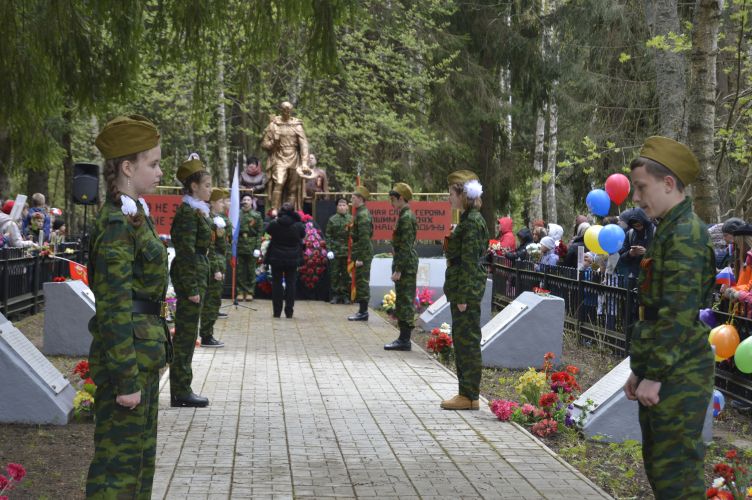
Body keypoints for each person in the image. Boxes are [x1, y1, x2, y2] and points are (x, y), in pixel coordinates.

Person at [621, 136, 715, 499]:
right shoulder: (670, 230)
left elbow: (676, 314)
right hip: (668, 368)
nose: (637, 198)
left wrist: (655, 374)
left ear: (669, 183)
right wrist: (641, 369)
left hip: (679, 373)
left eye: (642, 187)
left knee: (676, 475)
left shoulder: (686, 235)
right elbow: (658, 312)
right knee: (663, 470)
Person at [86, 115, 170, 498]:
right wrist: (125, 379)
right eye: (152, 163)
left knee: (138, 466)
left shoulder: (134, 215)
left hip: (142, 356)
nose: (159, 170)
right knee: (116, 473)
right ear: (126, 167)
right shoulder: (119, 223)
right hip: (129, 361)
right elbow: (114, 305)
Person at [440, 170, 489, 411]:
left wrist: (462, 297)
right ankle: (467, 393)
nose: (449, 198)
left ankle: (469, 395)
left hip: (465, 293)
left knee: (466, 342)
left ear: (463, 194)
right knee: (463, 341)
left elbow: (469, 263)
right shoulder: (469, 220)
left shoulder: (471, 222)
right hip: (463, 289)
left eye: (451, 193)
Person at [169, 153, 213, 408]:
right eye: (206, 185)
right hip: (191, 277)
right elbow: (184, 252)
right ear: (194, 186)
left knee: (188, 334)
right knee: (185, 336)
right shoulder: (188, 213)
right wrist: (191, 288)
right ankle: (180, 390)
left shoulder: (197, 211)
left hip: (198, 272)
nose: (209, 190)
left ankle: (182, 387)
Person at [384, 183, 418, 351]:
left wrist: (398, 269)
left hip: (405, 266)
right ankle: (403, 338)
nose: (392, 203)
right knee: (403, 299)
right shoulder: (404, 215)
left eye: (393, 199)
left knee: (405, 301)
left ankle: (404, 340)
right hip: (405, 263)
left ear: (401, 199)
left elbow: (405, 246)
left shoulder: (406, 217)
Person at [261, 101, 312, 211]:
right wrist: (274, 142)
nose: (286, 112)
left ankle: (290, 211)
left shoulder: (297, 125)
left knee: (292, 188)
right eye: (284, 109)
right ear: (280, 110)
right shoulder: (273, 125)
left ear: (291, 110)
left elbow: (304, 145)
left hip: (294, 157)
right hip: (279, 156)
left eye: (289, 110)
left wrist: (304, 162)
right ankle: (274, 210)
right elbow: (264, 144)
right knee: (279, 182)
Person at [198, 188, 230, 348]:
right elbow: (210, 248)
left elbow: (223, 246)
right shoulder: (209, 220)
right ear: (211, 203)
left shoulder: (217, 219)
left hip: (218, 264)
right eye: (220, 201)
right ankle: (206, 335)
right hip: (213, 267)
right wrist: (216, 269)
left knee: (214, 302)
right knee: (211, 303)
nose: (224, 204)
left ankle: (207, 333)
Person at [265, 202, 305, 318]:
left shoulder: (275, 224)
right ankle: (289, 311)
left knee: (276, 284)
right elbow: (302, 235)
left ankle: (277, 312)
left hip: (276, 257)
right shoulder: (298, 225)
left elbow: (268, 231)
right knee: (291, 284)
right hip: (292, 258)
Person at [347, 186, 374, 321]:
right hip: (361, 252)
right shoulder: (360, 212)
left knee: (362, 282)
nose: (351, 199)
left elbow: (364, 237)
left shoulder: (363, 215)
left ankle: (363, 312)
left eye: (353, 197)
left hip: (363, 254)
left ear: (360, 199)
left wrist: (361, 258)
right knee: (360, 281)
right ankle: (362, 311)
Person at [237, 193, 264, 301]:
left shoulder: (256, 215)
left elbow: (259, 232)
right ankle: (240, 291)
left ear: (252, 202)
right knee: (240, 271)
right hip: (239, 244)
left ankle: (249, 291)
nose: (246, 201)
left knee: (251, 270)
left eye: (248, 199)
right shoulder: (237, 214)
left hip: (252, 244)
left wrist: (258, 247)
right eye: (244, 199)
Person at [326, 197, 352, 304]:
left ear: (347, 206)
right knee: (335, 275)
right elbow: (328, 236)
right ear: (337, 207)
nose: (342, 207)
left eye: (344, 205)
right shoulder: (332, 220)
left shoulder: (351, 219)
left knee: (346, 275)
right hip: (335, 252)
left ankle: (345, 296)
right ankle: (335, 295)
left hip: (348, 252)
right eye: (340, 205)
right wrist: (329, 250)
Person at [617, 207, 655, 278]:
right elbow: (621, 257)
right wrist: (630, 253)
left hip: (652, 278)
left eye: (640, 224)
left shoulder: (656, 232)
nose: (638, 227)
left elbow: (664, 256)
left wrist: (646, 253)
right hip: (634, 276)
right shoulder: (630, 234)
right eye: (635, 225)